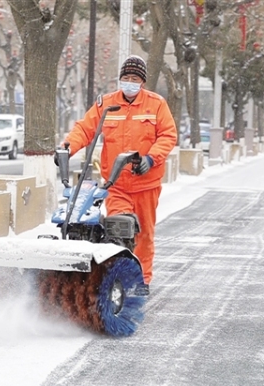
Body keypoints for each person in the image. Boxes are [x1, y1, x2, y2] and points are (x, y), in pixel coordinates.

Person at [58, 55, 177, 296]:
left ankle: (142, 280)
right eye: (126, 78)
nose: (129, 82)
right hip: (116, 184)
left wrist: (150, 159)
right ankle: (117, 277)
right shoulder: (107, 104)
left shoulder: (156, 105)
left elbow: (168, 135)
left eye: (134, 78)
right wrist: (67, 148)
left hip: (146, 184)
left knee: (143, 234)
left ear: (142, 82)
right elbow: (85, 129)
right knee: (118, 230)